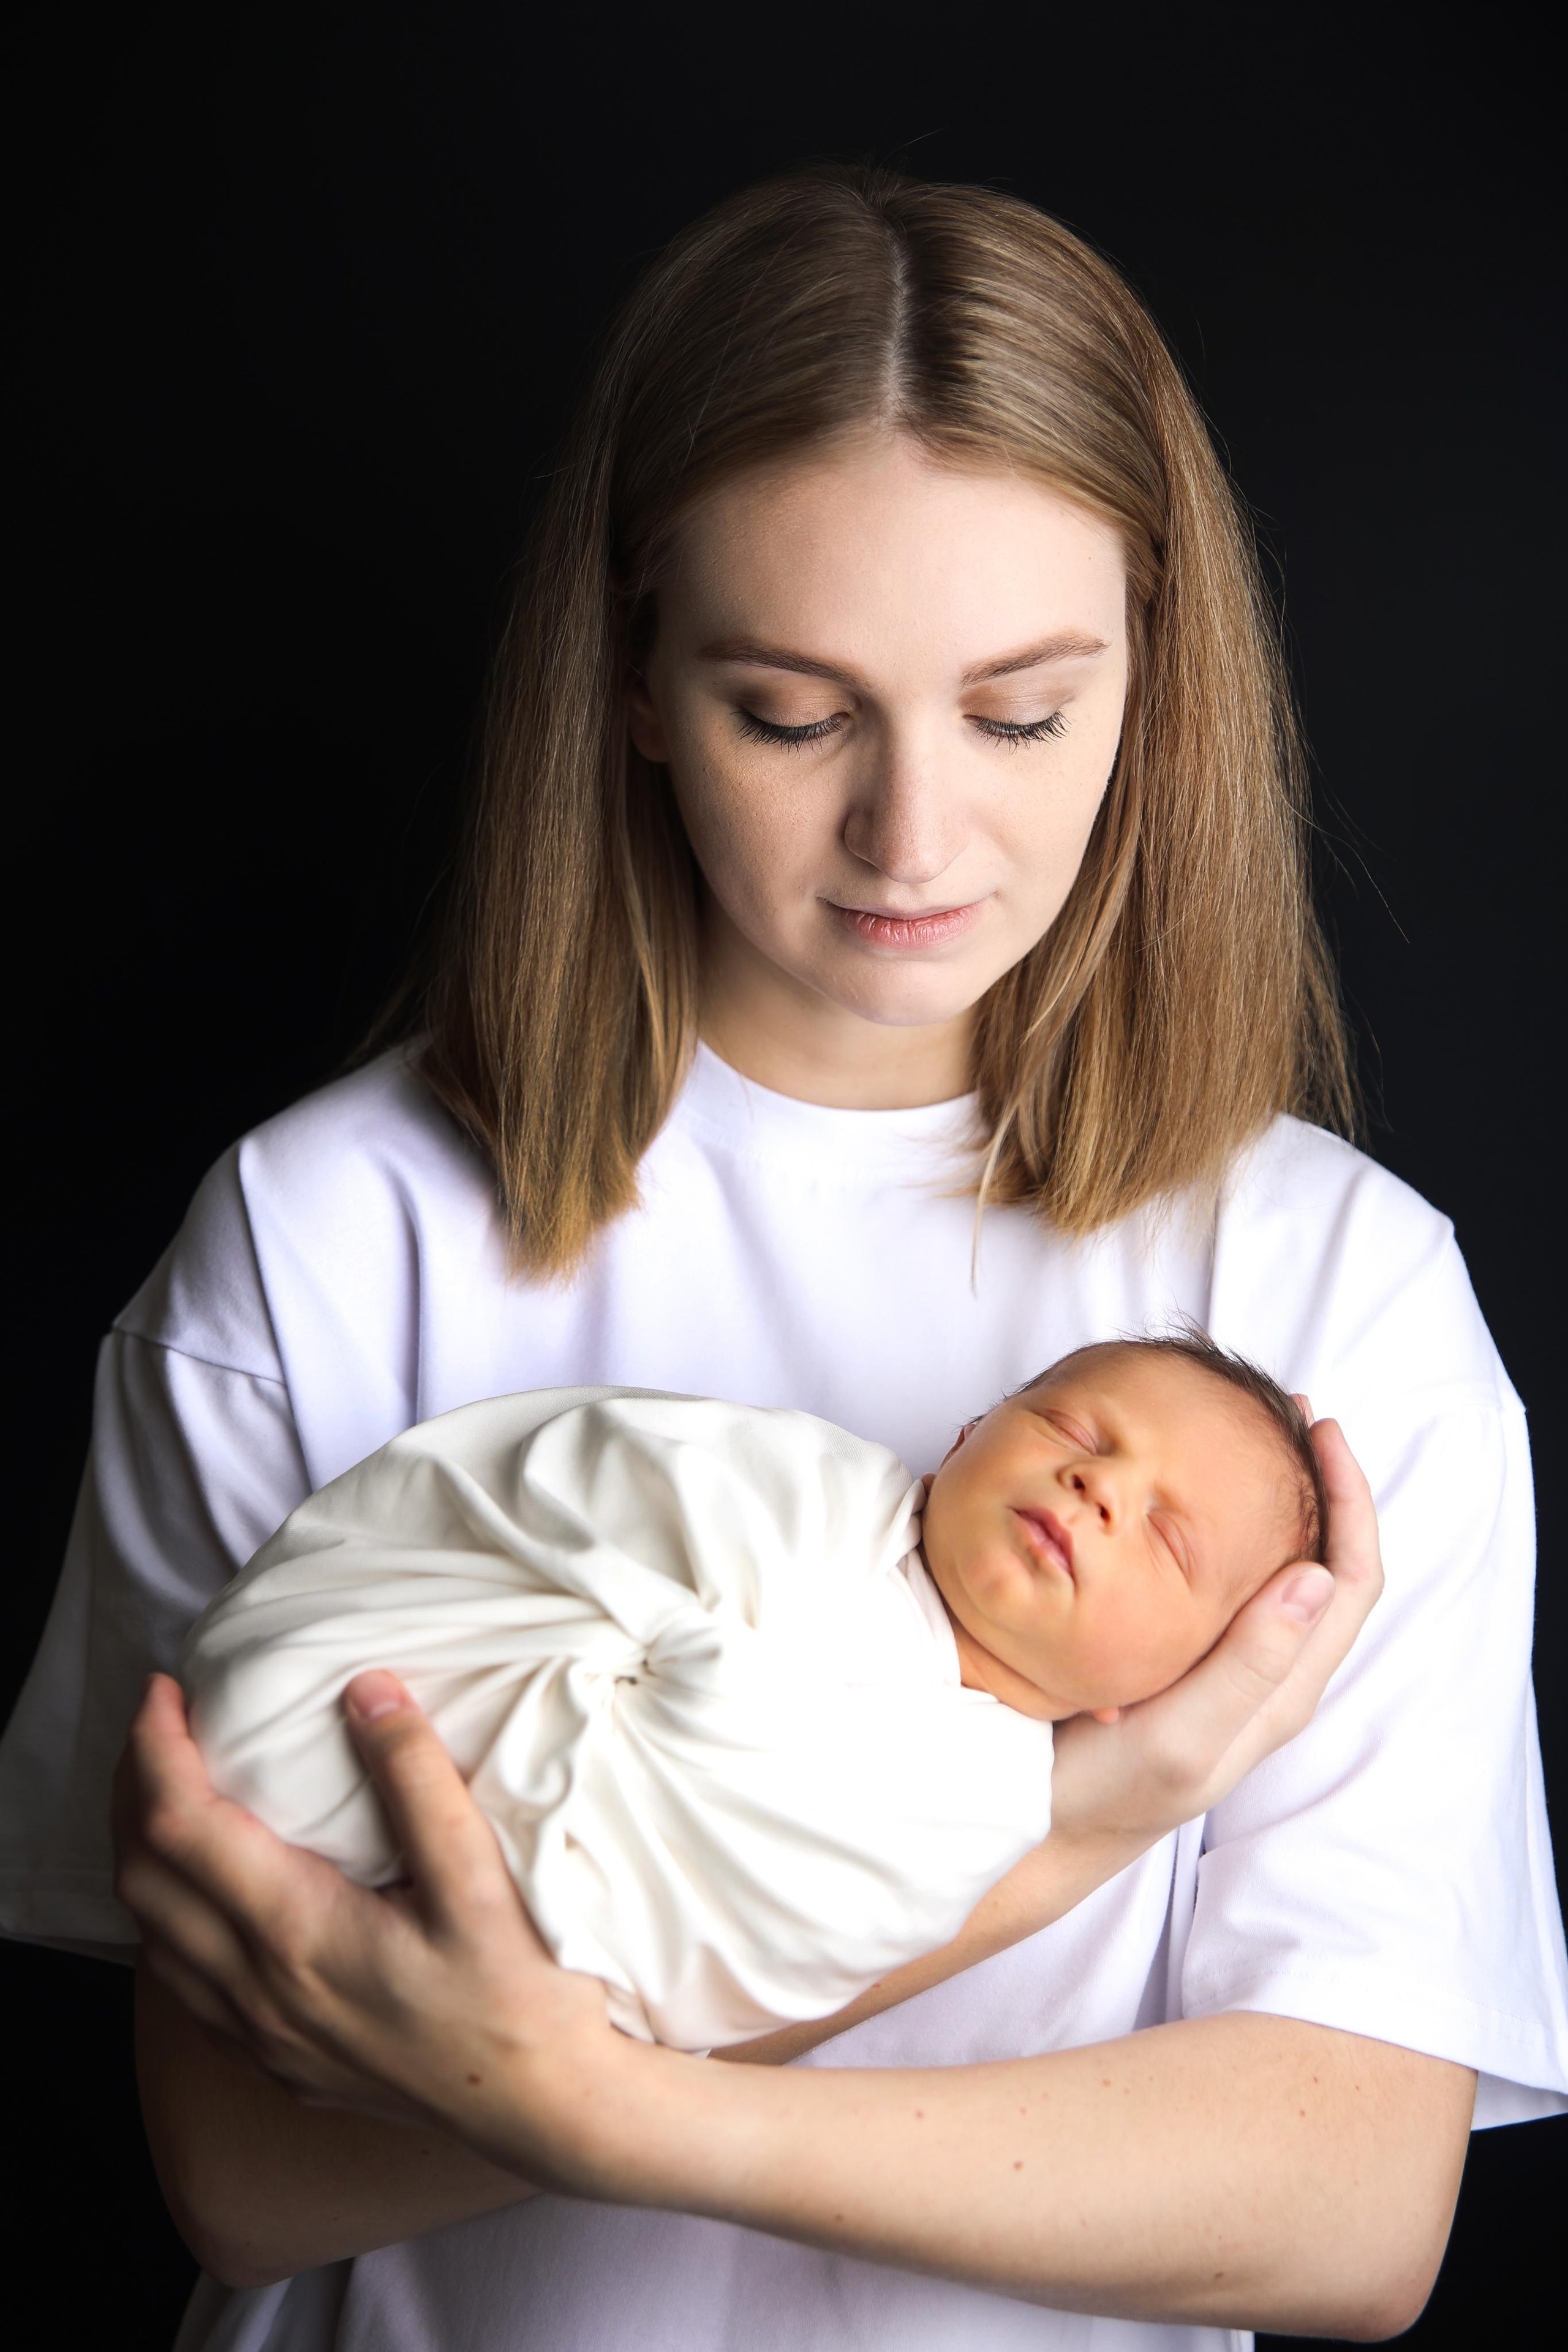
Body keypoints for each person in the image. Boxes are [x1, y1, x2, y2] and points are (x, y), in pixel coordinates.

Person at [2, 164, 1564, 2350]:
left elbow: (1346, 2205)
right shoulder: (323, 1240)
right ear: (636, 679)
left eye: (1020, 712)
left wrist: (610, 2109)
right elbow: (247, 2175)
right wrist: (1075, 1822)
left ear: (1159, 676)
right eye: (792, 710)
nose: (913, 836)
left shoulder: (1341, 1300)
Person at [178, 1338, 1331, 2052]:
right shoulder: (799, 1488)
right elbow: (585, 1476)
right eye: (1073, 1428)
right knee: (275, 1734)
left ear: (1166, 1688)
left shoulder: (980, 1808)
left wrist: (700, 1709)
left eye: (1168, 1539)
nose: (1100, 1484)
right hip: (362, 1687)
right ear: (969, 1438)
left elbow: (772, 1940)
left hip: (503, 1973)